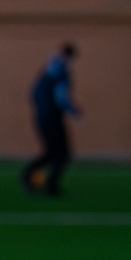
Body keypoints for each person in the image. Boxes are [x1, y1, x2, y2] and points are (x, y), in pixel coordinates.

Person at [22, 43, 79, 197]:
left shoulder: (44, 74)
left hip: (42, 116)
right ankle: (50, 185)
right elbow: (61, 97)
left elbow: (33, 94)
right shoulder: (61, 72)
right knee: (62, 154)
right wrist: (74, 112)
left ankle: (28, 176)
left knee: (51, 152)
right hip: (52, 117)